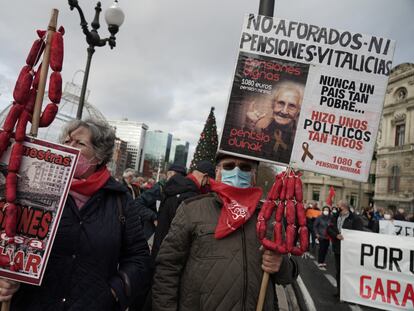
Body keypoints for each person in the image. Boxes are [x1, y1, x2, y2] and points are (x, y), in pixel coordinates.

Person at [0, 119, 152, 311]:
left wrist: (114, 292)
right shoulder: (33, 191)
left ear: (98, 156)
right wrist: (8, 278)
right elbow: (10, 239)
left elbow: (138, 258)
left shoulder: (119, 200)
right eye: (66, 142)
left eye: (80, 143)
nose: (69, 148)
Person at [152, 154, 298, 311]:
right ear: (217, 172)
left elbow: (288, 275)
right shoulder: (191, 210)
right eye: (229, 166)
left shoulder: (269, 218)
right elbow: (167, 269)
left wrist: (280, 264)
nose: (236, 172)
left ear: (254, 176)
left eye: (245, 167)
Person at [256, 82, 304, 163]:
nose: (284, 111)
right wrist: (248, 126)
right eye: (281, 103)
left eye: (292, 106)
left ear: (298, 112)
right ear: (273, 105)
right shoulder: (259, 127)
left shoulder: (301, 139)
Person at [327, 200, 363, 299]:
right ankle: (340, 292)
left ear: (343, 207)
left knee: (349, 271)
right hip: (338, 249)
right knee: (339, 271)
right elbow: (329, 229)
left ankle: (350, 293)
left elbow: (359, 233)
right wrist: (336, 235)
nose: (336, 207)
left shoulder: (355, 218)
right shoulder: (335, 217)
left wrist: (348, 238)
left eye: (338, 205)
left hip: (349, 250)